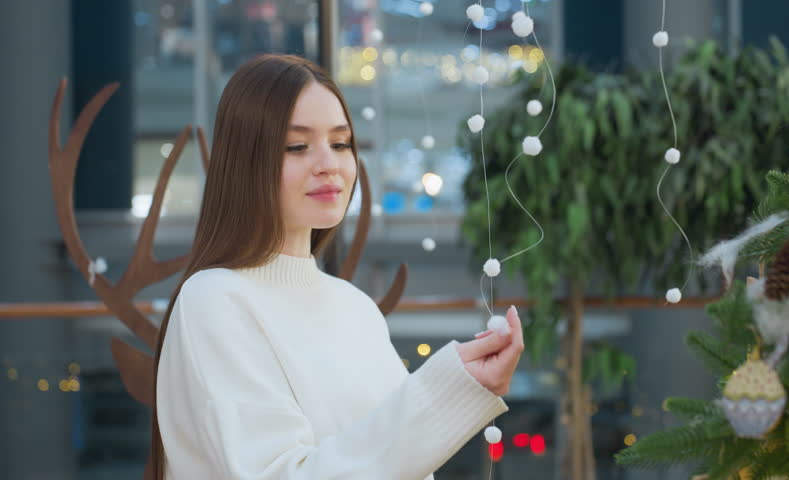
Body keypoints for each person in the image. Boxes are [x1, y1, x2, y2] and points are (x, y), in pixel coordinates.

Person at [151, 54, 525, 480]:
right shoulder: (214, 300)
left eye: (341, 143)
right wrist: (448, 389)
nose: (329, 164)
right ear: (245, 161)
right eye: (297, 146)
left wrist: (461, 386)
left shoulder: (356, 307)